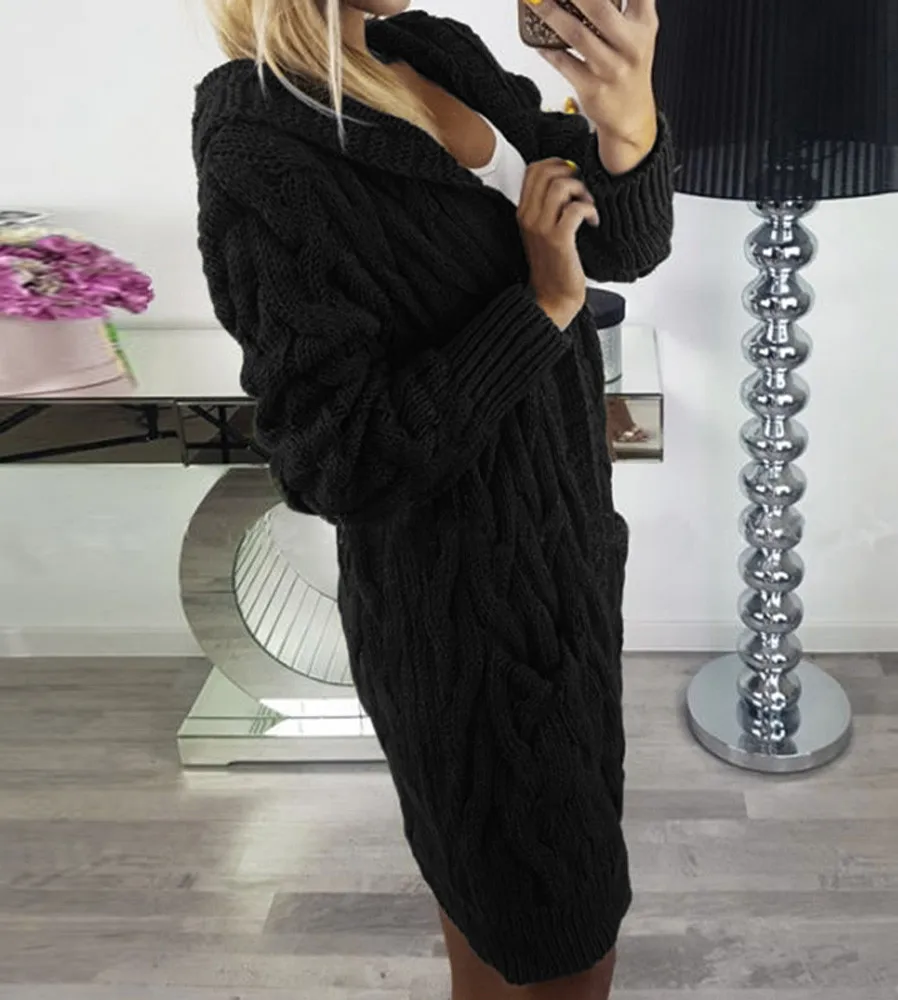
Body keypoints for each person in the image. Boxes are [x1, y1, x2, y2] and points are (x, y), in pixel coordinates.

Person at [194, 1, 673, 996]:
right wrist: (540, 305)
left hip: (567, 560)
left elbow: (619, 245)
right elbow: (337, 460)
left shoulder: (432, 50)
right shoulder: (263, 140)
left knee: (508, 912)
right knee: (561, 942)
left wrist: (623, 112)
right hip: (464, 621)